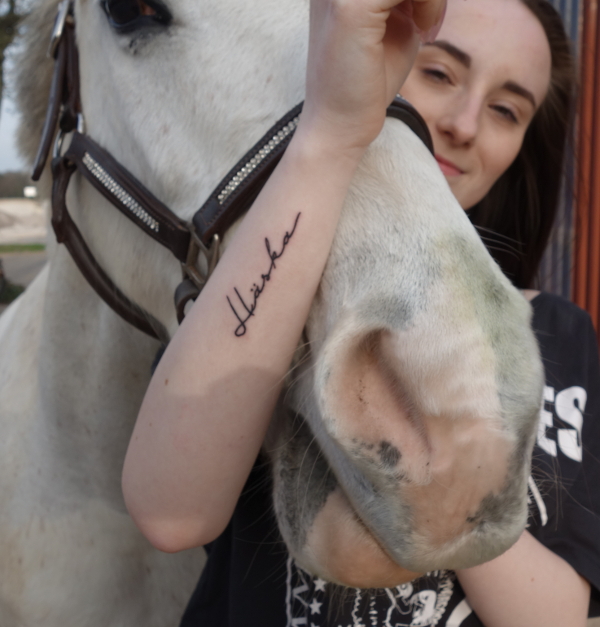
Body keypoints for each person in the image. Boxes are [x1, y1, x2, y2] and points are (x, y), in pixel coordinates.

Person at [121, 0, 600, 625]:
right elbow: (172, 513)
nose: (464, 123)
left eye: (507, 110)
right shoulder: (263, 308)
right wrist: (328, 136)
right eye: (438, 73)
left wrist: (449, 465)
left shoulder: (559, 333)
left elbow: (556, 616)